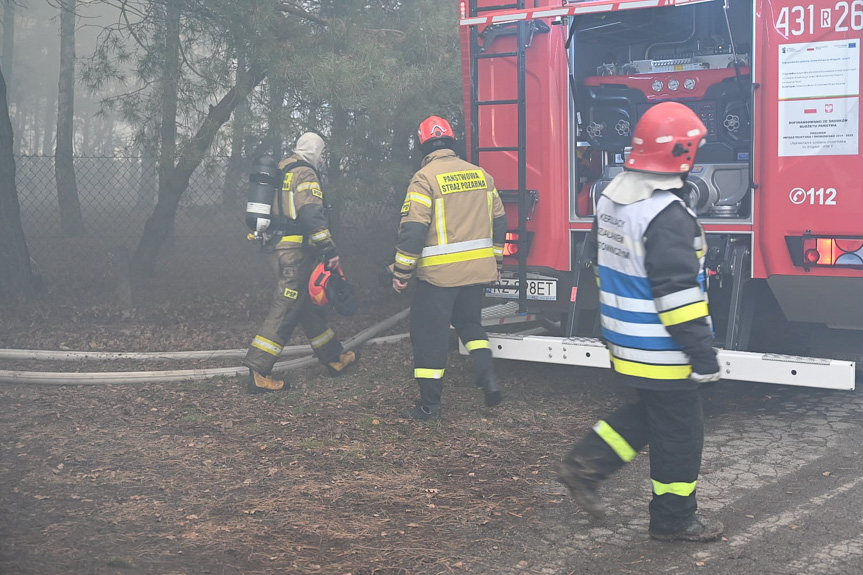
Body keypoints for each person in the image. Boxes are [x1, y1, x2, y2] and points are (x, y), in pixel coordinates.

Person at [555, 102, 724, 542]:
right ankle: (674, 519)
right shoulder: (667, 216)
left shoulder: (612, 198)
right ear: (682, 154)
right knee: (681, 437)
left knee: (647, 418)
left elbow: (601, 263)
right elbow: (678, 297)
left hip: (626, 343)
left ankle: (584, 465)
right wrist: (702, 353)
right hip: (663, 351)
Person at [389, 115, 507, 421]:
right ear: (451, 142)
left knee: (430, 337)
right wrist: (495, 262)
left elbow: (413, 230)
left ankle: (430, 406)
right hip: (477, 272)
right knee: (470, 324)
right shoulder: (482, 175)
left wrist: (401, 272)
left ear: (422, 145)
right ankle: (488, 377)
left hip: (440, 277)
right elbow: (499, 221)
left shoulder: (425, 178)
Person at [243, 132, 359, 393]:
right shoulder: (305, 173)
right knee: (286, 307)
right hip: (295, 252)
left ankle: (334, 358)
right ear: (316, 151)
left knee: (307, 306)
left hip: (278, 247)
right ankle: (259, 369)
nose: (322, 157)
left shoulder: (281, 168)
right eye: (322, 152)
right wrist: (329, 249)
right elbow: (311, 214)